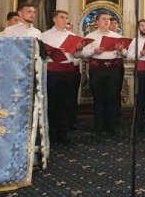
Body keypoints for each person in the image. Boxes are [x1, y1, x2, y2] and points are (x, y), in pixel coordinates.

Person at [41, 10, 85, 143]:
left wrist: (78, 50)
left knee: (66, 103)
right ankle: (51, 133)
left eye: (66, 17)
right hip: (52, 71)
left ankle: (63, 134)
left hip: (68, 71)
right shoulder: (44, 35)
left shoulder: (72, 36)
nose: (65, 20)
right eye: (62, 17)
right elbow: (41, 54)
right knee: (52, 103)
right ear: (54, 19)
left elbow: (77, 56)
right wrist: (52, 53)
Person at [81, 13, 126, 134]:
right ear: (97, 22)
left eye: (108, 19)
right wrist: (93, 51)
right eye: (104, 19)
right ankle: (99, 126)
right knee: (98, 97)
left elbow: (125, 54)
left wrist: (121, 50)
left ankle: (112, 125)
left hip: (113, 69)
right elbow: (82, 54)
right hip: (97, 69)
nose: (107, 21)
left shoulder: (116, 36)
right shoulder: (90, 36)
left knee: (113, 97)